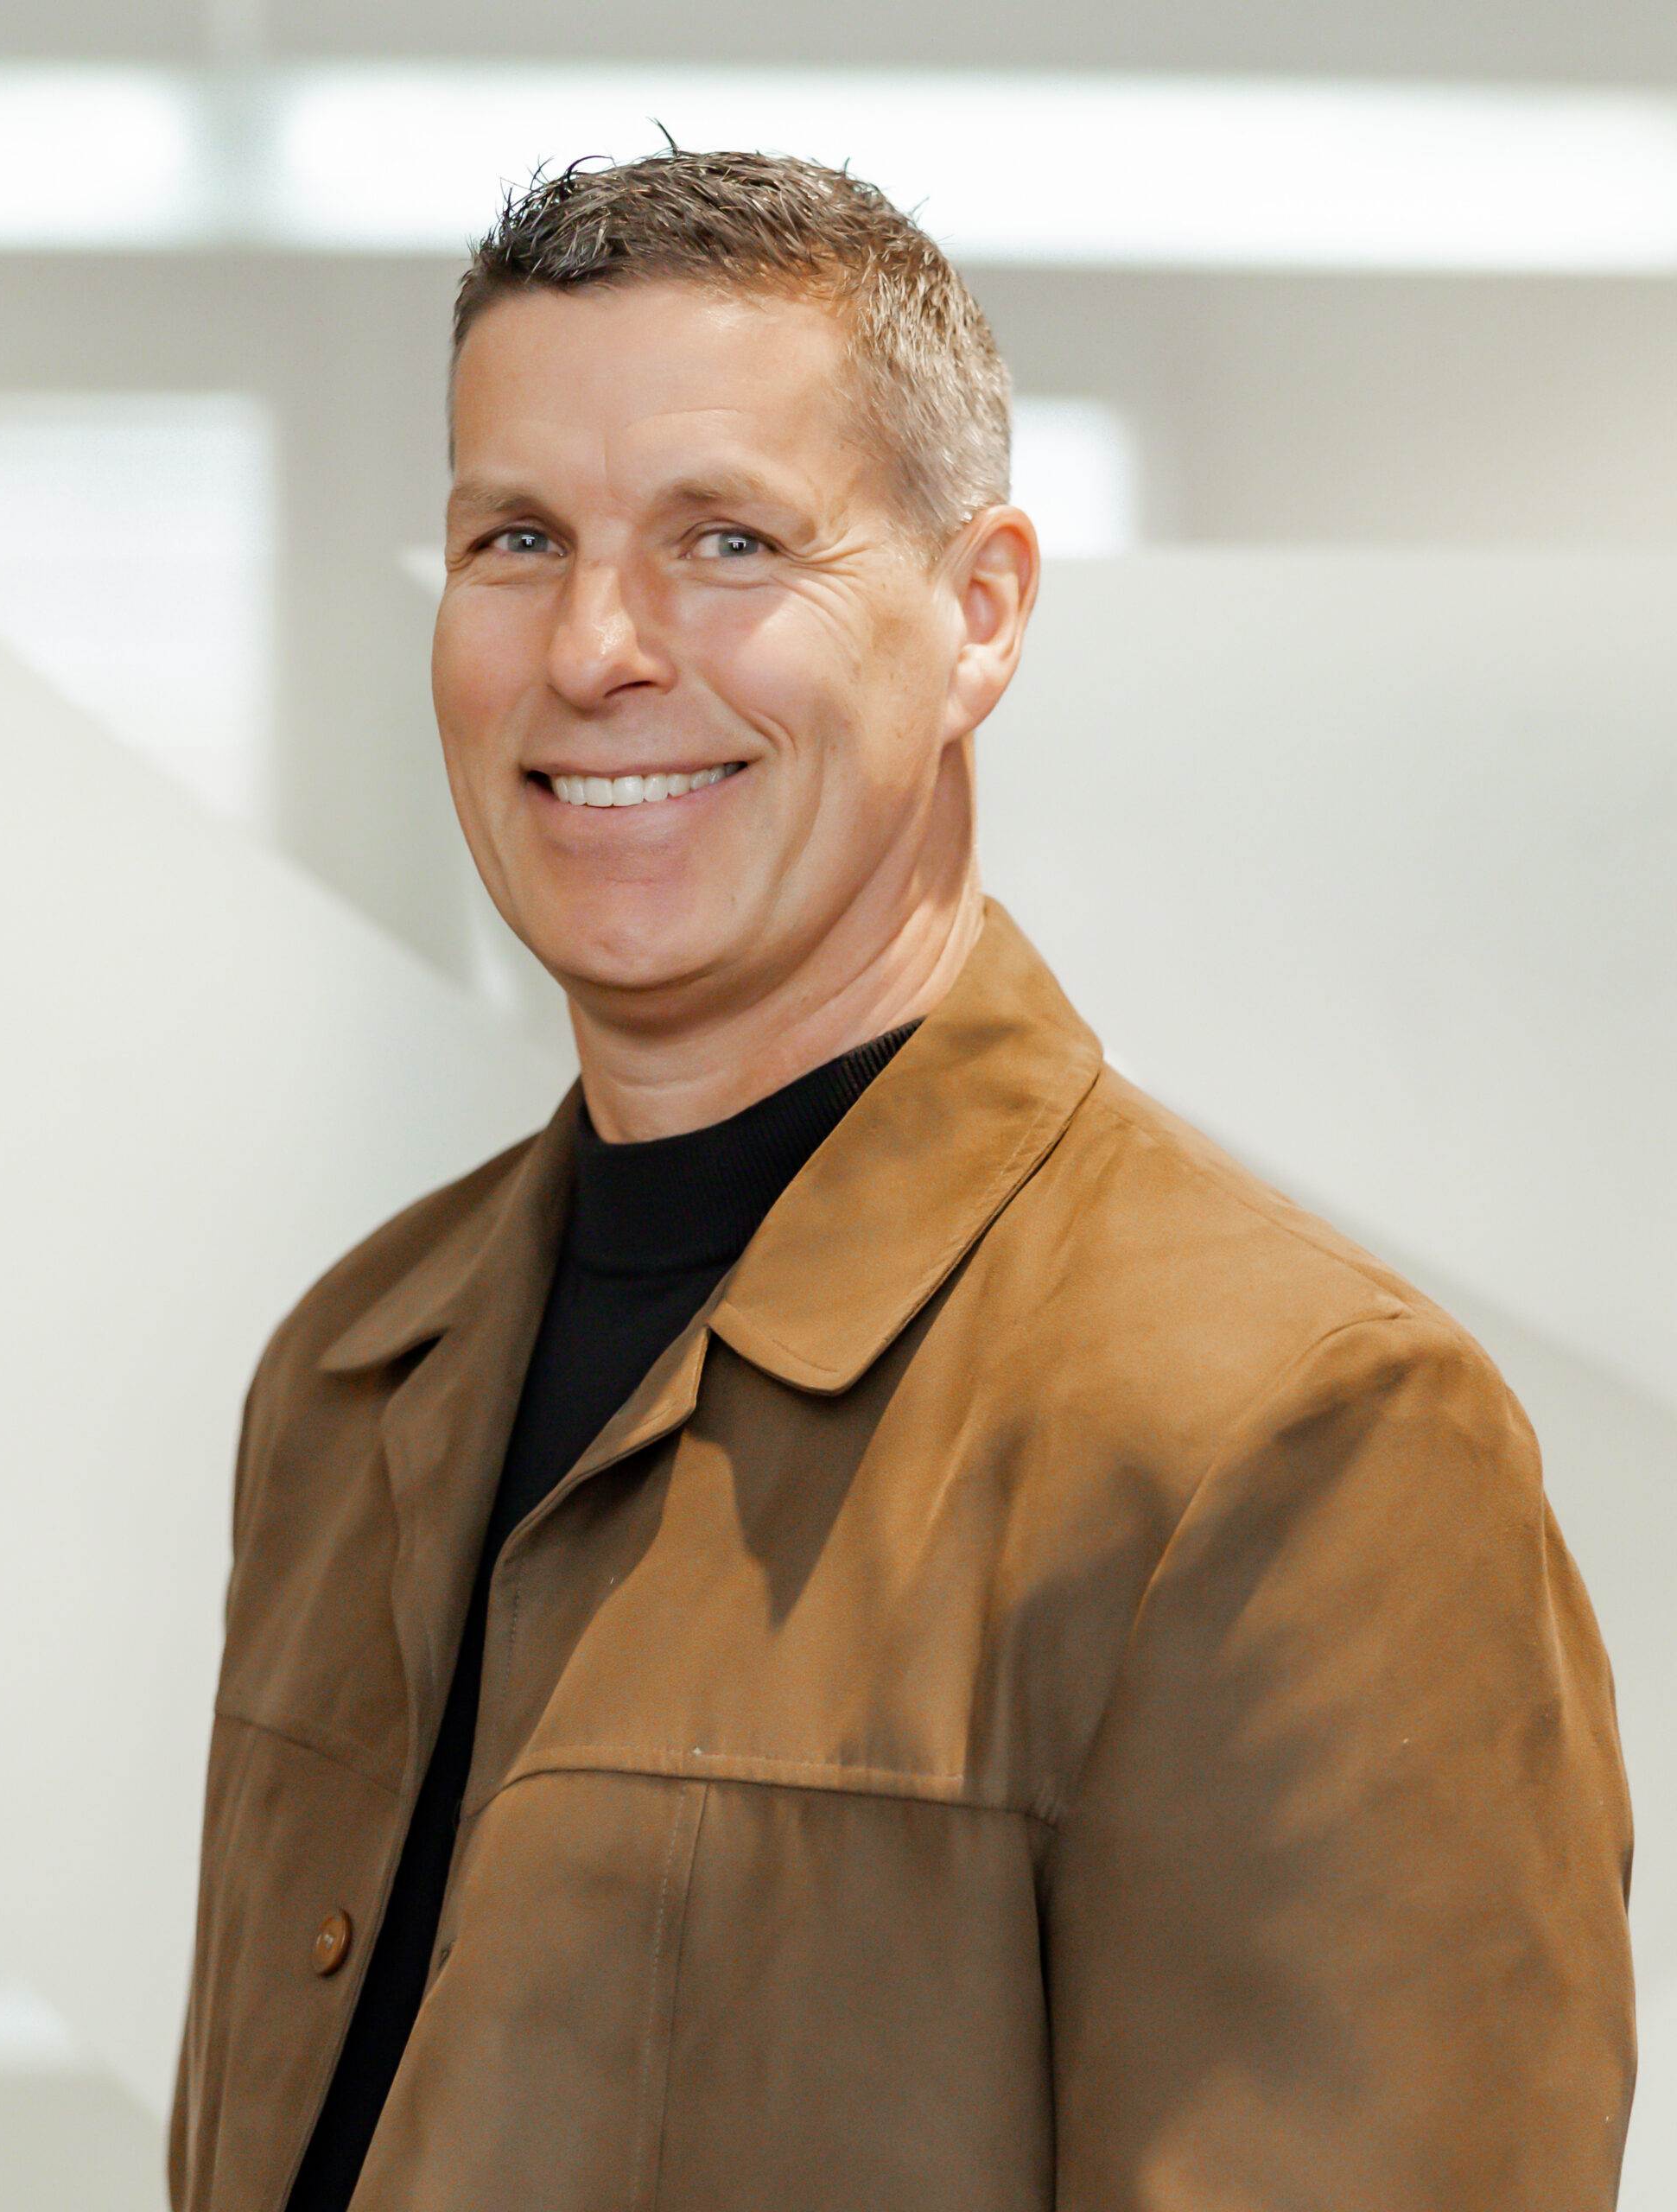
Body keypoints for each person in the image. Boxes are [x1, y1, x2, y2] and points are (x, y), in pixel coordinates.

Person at [169, 151, 1634, 2211]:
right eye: (516, 537)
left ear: (980, 617)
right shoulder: (351, 1377)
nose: (594, 645)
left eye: (725, 540)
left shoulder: (1289, 1440)